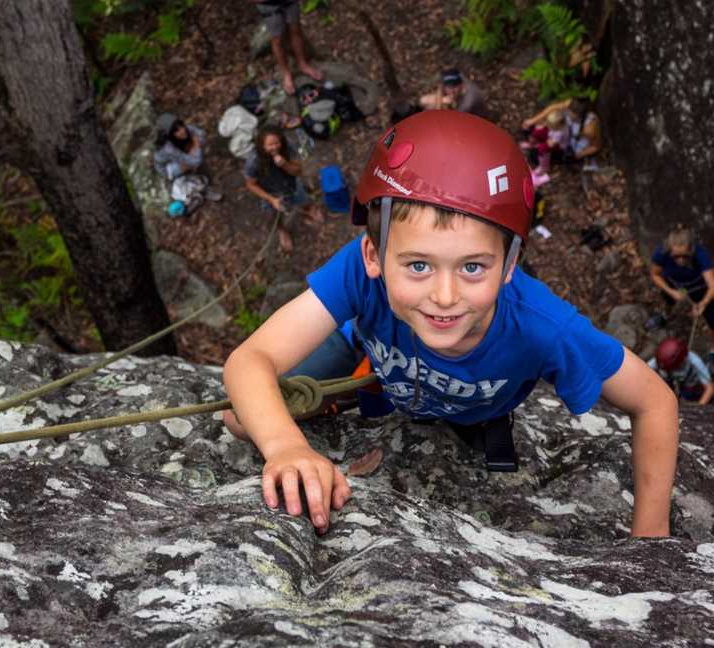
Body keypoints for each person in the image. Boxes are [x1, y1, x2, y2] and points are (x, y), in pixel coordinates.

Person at [223, 111, 678, 538]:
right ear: (373, 256)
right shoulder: (358, 273)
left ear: (509, 264)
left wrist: (651, 542)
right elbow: (250, 360)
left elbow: (654, 401)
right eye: (418, 265)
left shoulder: (542, 326)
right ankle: (347, 397)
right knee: (239, 419)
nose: (444, 296)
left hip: (465, 406)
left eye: (473, 268)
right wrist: (286, 446)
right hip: (370, 359)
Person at [244, 125, 323, 253]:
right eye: (270, 145)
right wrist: (271, 199)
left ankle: (309, 210)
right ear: (261, 146)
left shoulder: (286, 147)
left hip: (291, 185)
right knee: (275, 215)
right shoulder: (253, 161)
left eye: (277, 142)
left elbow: (298, 171)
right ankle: (282, 231)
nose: (275, 147)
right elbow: (250, 185)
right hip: (272, 194)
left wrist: (284, 164)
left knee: (303, 199)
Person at [649, 228, 714, 359]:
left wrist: (703, 303)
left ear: (690, 250)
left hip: (700, 289)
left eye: (684, 256)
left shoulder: (700, 255)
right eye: (676, 256)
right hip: (677, 287)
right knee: (668, 300)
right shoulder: (662, 253)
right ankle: (664, 315)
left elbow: (712, 285)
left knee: (712, 319)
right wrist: (672, 292)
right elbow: (655, 274)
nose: (681, 260)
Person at [252, 0, 323, 96]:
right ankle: (286, 73)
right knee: (277, 39)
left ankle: (303, 64)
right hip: (268, 5)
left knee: (296, 29)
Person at [522, 98, 601, 169]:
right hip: (559, 132)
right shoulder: (572, 105)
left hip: (569, 146)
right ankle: (536, 144)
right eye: (568, 113)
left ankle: (544, 162)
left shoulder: (589, 129)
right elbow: (552, 108)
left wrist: (577, 156)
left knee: (534, 155)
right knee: (529, 129)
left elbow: (596, 146)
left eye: (572, 116)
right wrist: (532, 121)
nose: (569, 116)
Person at [648, 338, 714, 405]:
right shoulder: (659, 360)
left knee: (689, 394)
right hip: (669, 382)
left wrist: (699, 407)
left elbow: (709, 388)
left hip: (689, 384)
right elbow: (642, 375)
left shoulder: (694, 362)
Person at [418, 69, 489, 120]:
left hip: (474, 119)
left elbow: (454, 119)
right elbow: (440, 88)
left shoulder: (468, 103)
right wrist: (439, 106)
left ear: (461, 85)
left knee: (430, 109)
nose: (451, 90)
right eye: (448, 87)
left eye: (454, 87)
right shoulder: (459, 76)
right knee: (424, 101)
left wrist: (438, 111)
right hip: (455, 103)